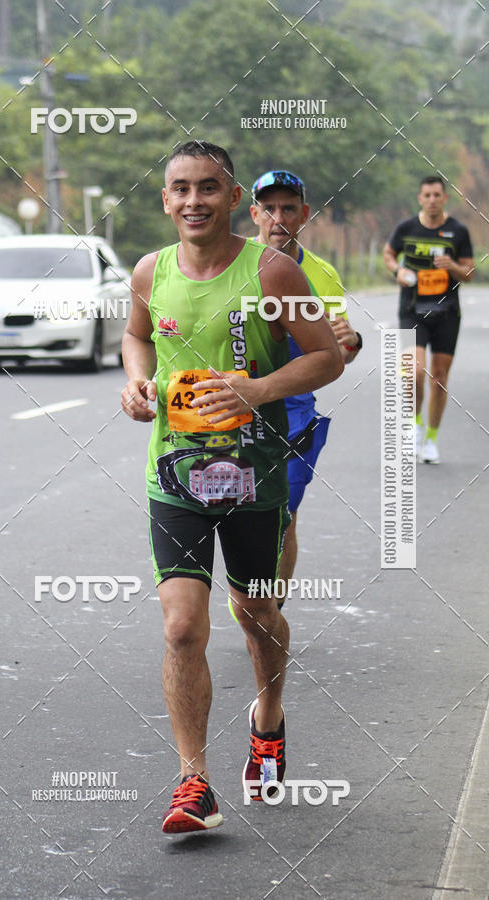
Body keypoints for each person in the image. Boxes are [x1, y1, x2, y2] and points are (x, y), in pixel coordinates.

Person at [121, 141, 344, 834]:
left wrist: (259, 389)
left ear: (231, 196)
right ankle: (194, 783)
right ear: (166, 198)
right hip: (175, 474)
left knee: (256, 613)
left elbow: (328, 357)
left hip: (257, 476)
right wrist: (137, 382)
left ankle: (267, 718)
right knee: (182, 626)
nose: (194, 201)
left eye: (208, 188)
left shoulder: (271, 271)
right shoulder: (150, 270)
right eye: (181, 188)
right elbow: (136, 338)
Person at [242, 169, 361, 610]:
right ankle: (249, 599)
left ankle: (269, 613)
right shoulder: (233, 265)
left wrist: (350, 343)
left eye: (289, 209)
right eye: (269, 208)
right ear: (254, 214)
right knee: (239, 519)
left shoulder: (323, 275)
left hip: (294, 414)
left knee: (284, 517)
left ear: (304, 214)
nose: (279, 218)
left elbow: (338, 354)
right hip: (236, 409)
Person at [383, 175, 474, 464]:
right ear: (420, 198)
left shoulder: (457, 231)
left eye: (437, 195)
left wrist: (452, 266)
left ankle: (431, 439)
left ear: (444, 198)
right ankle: (415, 424)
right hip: (412, 310)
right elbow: (388, 254)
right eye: (427, 195)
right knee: (413, 373)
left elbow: (469, 273)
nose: (432, 200)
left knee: (439, 379)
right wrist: (397, 270)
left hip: (447, 313)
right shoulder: (406, 228)